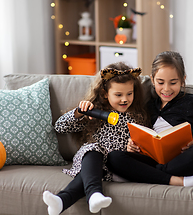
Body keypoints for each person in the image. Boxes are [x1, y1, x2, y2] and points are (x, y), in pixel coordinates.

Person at [42, 62, 147, 215]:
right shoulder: (95, 112)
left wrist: (134, 147)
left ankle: (62, 201)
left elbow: (144, 142)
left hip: (114, 166)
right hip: (91, 160)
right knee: (93, 150)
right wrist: (79, 113)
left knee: (91, 173)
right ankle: (92, 195)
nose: (125, 99)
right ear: (105, 93)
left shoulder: (137, 116)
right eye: (118, 95)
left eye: (129, 94)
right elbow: (60, 127)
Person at [107, 51, 193, 187]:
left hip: (181, 160)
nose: (166, 89)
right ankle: (178, 181)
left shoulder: (191, 103)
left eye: (173, 83)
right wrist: (133, 146)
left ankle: (148, 174)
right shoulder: (148, 107)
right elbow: (143, 138)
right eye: (160, 82)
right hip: (153, 160)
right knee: (114, 158)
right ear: (152, 80)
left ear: (183, 80)